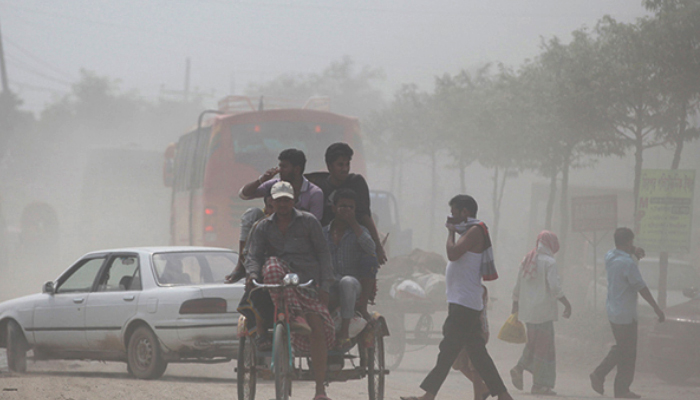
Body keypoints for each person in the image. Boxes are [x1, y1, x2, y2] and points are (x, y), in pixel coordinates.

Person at [402, 195, 512, 400]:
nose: (451, 217)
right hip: (463, 302)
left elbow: (453, 254)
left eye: (454, 213)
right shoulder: (471, 231)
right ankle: (504, 395)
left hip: (465, 304)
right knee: (477, 354)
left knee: (447, 351)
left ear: (465, 212)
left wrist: (450, 233)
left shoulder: (475, 230)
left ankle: (428, 395)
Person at [244, 181, 336, 400]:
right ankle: (292, 315)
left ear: (294, 201)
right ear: (271, 203)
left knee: (317, 328)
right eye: (278, 200)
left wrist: (325, 286)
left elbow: (324, 255)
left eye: (287, 199)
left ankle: (320, 390)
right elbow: (253, 256)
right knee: (273, 264)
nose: (283, 204)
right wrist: (253, 275)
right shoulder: (263, 226)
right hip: (277, 288)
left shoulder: (309, 222)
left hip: (306, 283)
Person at [589, 227, 664, 399]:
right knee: (627, 351)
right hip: (626, 314)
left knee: (625, 349)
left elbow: (624, 259)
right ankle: (603, 376)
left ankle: (620, 389)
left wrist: (633, 252)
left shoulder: (610, 257)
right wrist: (656, 308)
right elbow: (641, 288)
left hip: (614, 311)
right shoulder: (627, 263)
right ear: (629, 241)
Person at [510, 230, 572, 396]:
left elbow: (517, 285)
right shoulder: (549, 262)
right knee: (544, 349)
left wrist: (515, 304)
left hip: (529, 312)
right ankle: (540, 384)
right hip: (544, 313)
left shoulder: (527, 259)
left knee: (533, 344)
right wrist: (567, 304)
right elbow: (554, 287)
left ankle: (520, 367)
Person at [322, 188, 376, 348]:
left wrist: (353, 223)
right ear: (334, 208)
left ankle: (344, 331)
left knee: (347, 282)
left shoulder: (360, 232)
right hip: (328, 282)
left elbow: (371, 248)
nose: (346, 210)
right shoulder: (322, 232)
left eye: (351, 207)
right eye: (343, 206)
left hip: (352, 283)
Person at [317, 143, 387, 264]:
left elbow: (365, 216)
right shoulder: (321, 188)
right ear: (329, 166)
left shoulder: (357, 183)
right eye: (340, 165)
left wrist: (378, 246)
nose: (345, 169)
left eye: (347, 164)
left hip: (355, 237)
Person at [239, 148, 324, 220]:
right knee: (253, 213)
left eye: (284, 167)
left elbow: (314, 224)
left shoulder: (314, 193)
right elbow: (244, 195)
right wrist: (261, 180)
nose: (280, 170)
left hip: (300, 237)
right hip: (272, 232)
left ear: (297, 169)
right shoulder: (274, 185)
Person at [452, 284, 490, 400]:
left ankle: (478, 396)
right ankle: (484, 388)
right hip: (464, 331)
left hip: (476, 331)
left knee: (474, 365)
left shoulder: (479, 289)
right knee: (458, 362)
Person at [225, 194, 274, 283]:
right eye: (269, 207)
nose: (270, 212)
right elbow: (254, 255)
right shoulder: (261, 224)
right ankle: (241, 266)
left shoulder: (302, 221)